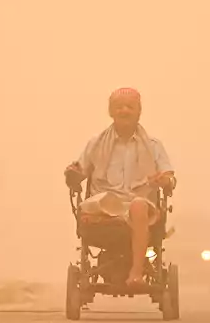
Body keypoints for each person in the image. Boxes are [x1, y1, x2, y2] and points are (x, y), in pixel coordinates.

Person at [65, 87, 176, 289]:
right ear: (111, 111)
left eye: (130, 107)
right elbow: (79, 171)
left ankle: (136, 274)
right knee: (108, 202)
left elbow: (169, 177)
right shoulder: (96, 143)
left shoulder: (153, 145)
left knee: (138, 206)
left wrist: (165, 181)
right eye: (119, 107)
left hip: (140, 207)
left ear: (138, 111)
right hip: (104, 204)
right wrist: (72, 174)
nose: (124, 111)